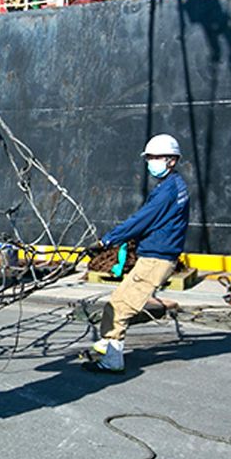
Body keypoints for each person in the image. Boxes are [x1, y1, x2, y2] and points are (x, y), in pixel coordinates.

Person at [85, 134, 190, 373]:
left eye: (155, 157)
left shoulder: (167, 192)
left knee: (120, 306)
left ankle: (112, 359)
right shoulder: (174, 185)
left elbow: (141, 220)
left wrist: (107, 240)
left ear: (171, 160)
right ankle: (107, 344)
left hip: (156, 258)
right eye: (149, 158)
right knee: (120, 300)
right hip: (158, 255)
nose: (151, 162)